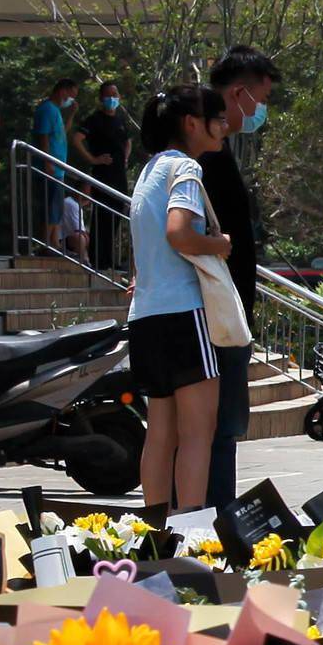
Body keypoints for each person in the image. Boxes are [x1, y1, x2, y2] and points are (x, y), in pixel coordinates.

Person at [124, 86, 231, 517]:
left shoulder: (148, 172)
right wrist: (219, 244)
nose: (224, 127)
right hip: (183, 315)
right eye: (217, 118)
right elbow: (178, 232)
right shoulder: (186, 169)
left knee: (159, 434)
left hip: (145, 316)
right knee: (197, 434)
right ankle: (191, 533)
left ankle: (155, 534)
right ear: (191, 123)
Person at [200, 44, 278, 507]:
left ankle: (213, 513)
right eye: (260, 99)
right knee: (217, 426)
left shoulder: (219, 153)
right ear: (238, 93)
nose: (260, 111)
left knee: (223, 426)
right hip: (214, 315)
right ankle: (210, 520)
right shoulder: (201, 160)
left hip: (229, 310)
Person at [78, 77, 137, 270]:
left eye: (115, 95)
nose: (112, 98)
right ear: (101, 98)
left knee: (116, 215)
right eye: (108, 95)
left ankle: (109, 258)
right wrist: (93, 159)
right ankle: (98, 258)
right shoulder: (94, 120)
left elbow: (128, 141)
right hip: (103, 174)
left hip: (119, 174)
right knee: (102, 215)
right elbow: (77, 139)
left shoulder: (120, 120)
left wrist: (126, 157)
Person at [31, 71, 84, 255]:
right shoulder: (46, 109)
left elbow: (62, 131)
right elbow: (43, 136)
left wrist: (71, 114)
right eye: (71, 95)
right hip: (50, 167)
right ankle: (46, 243)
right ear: (63, 91)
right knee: (49, 206)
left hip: (59, 169)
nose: (71, 99)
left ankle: (54, 241)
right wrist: (48, 161)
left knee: (56, 208)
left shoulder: (56, 111)